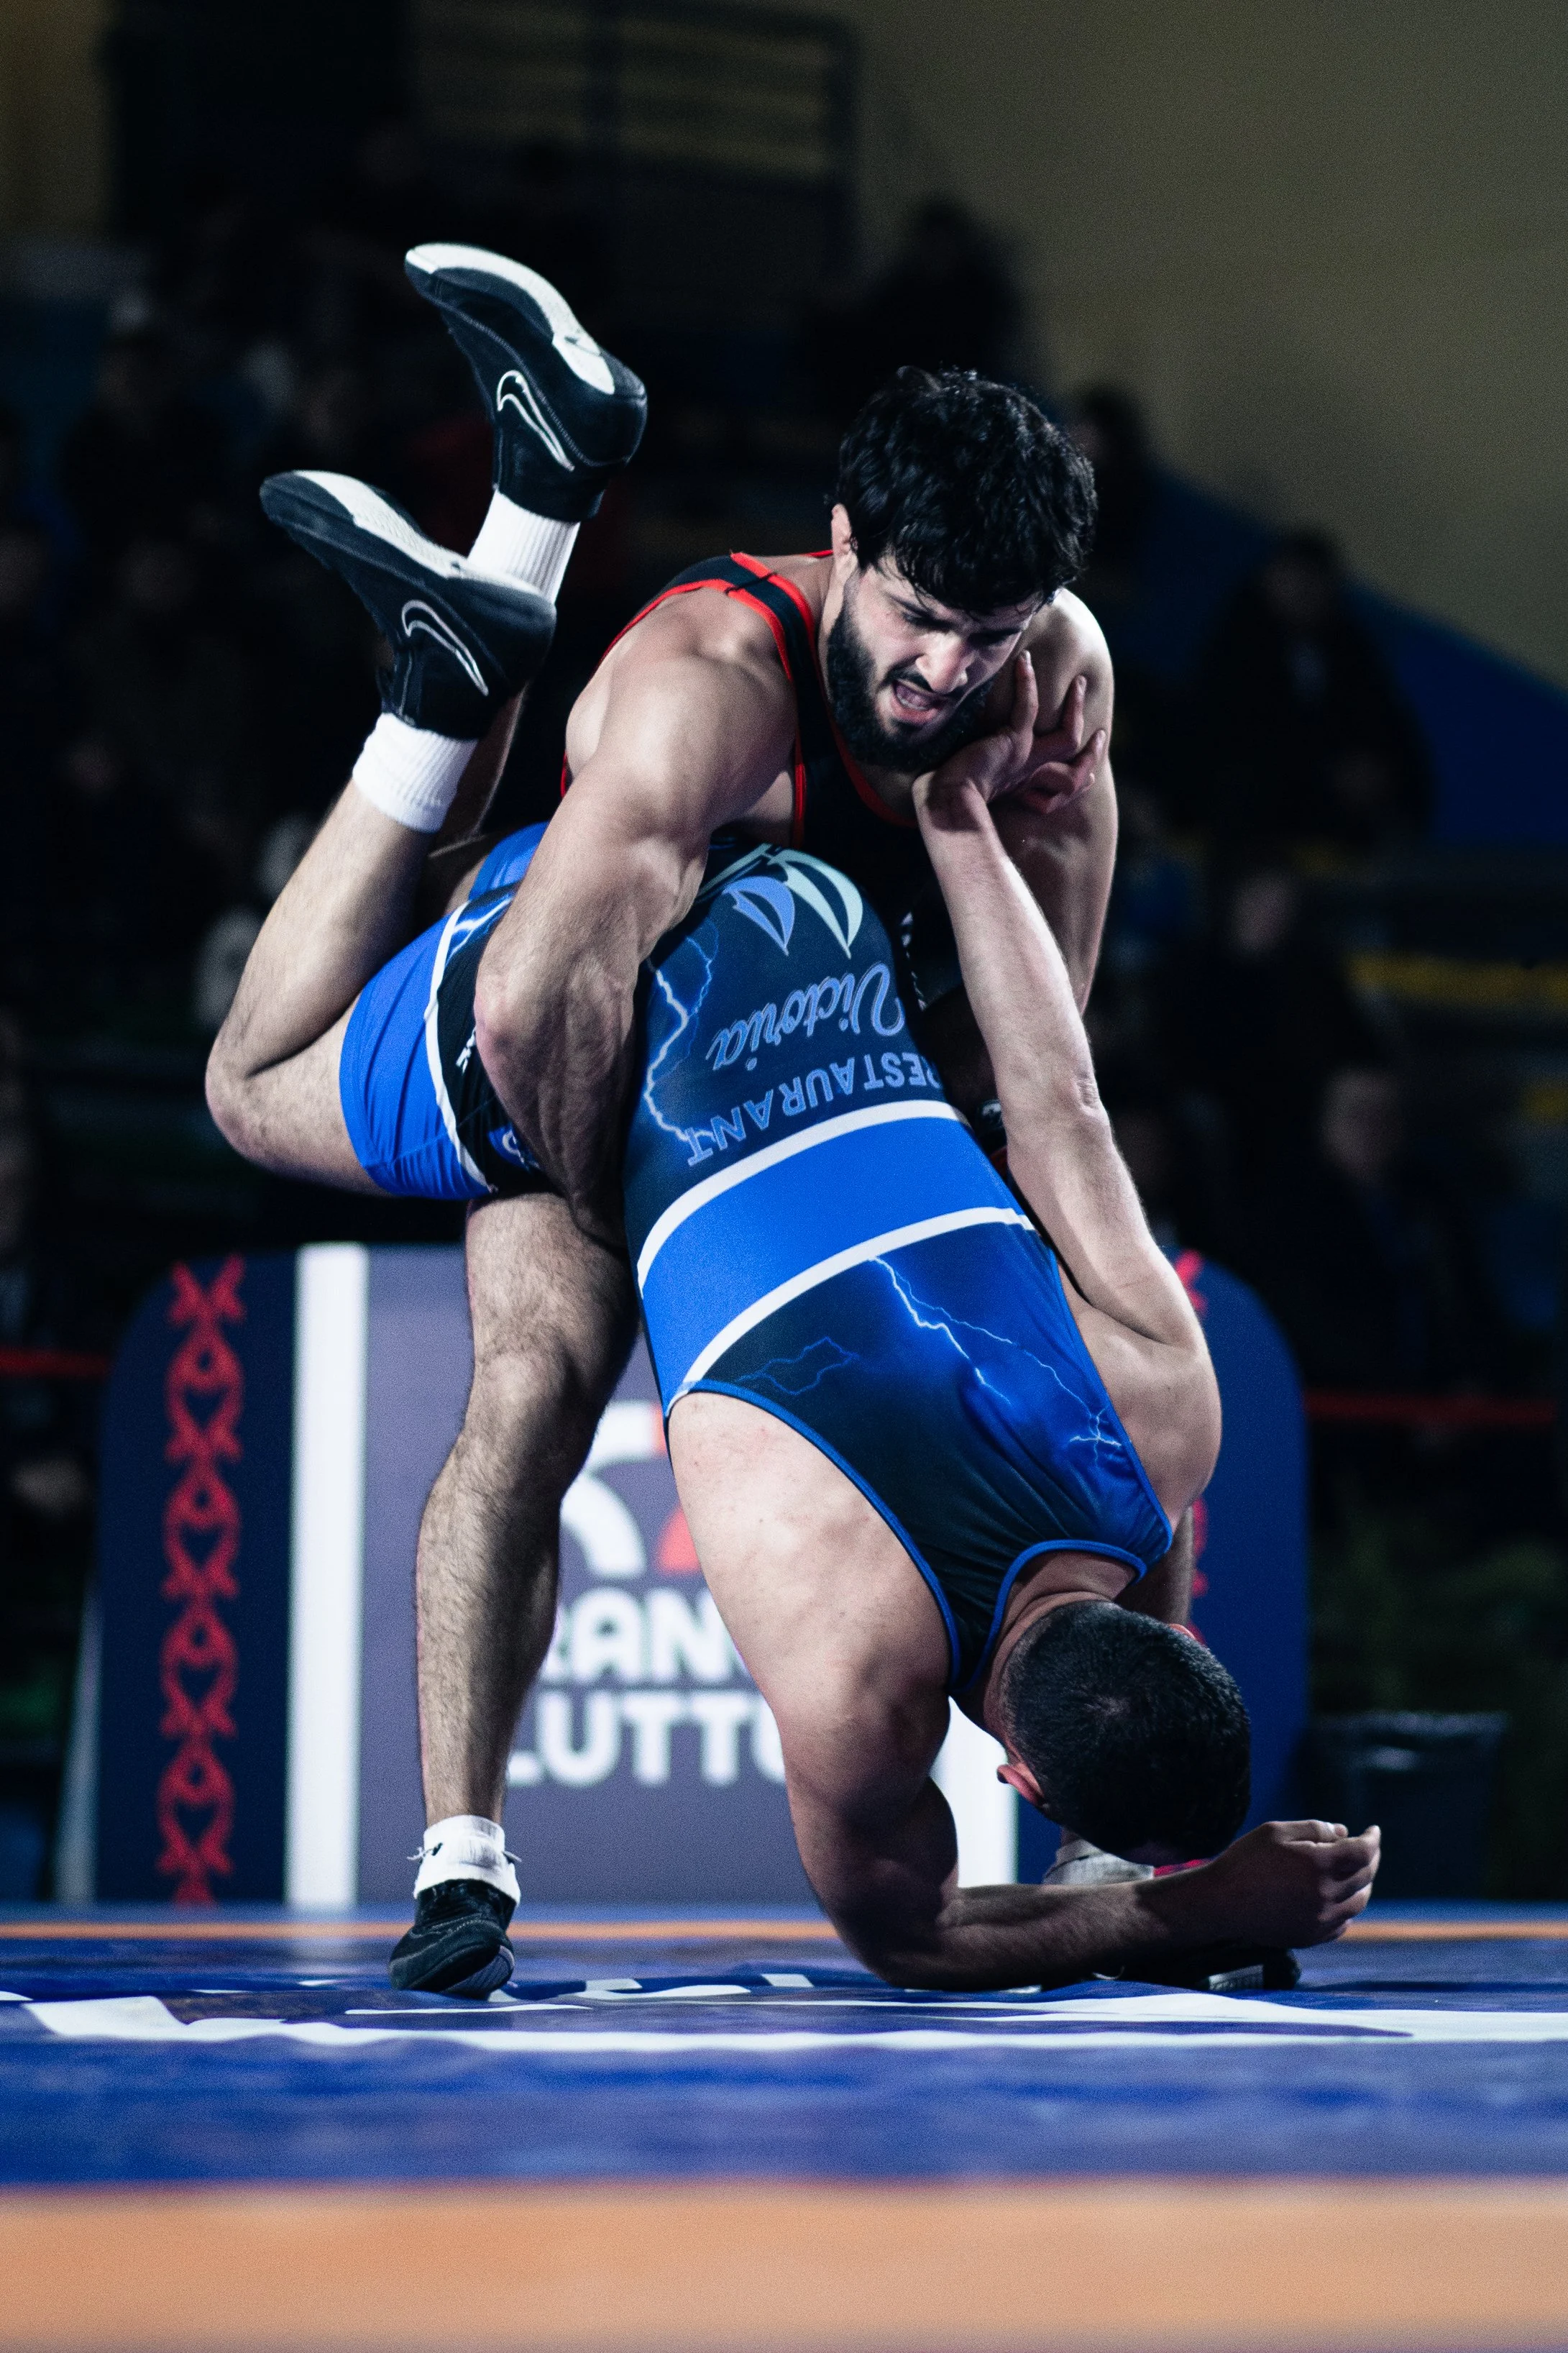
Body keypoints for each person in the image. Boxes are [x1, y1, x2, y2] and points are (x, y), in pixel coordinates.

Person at [207, 431, 1380, 1994]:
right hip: (600, 1027)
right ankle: (448, 680)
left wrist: (956, 825)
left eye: (994, 636)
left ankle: (462, 1858)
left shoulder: (1167, 1412)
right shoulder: (857, 1676)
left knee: (535, 1388)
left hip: (834, 959)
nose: (956, 665)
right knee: (252, 1087)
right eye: (921, 621)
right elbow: (907, 1934)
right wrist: (1188, 1905)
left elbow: (1055, 1095)